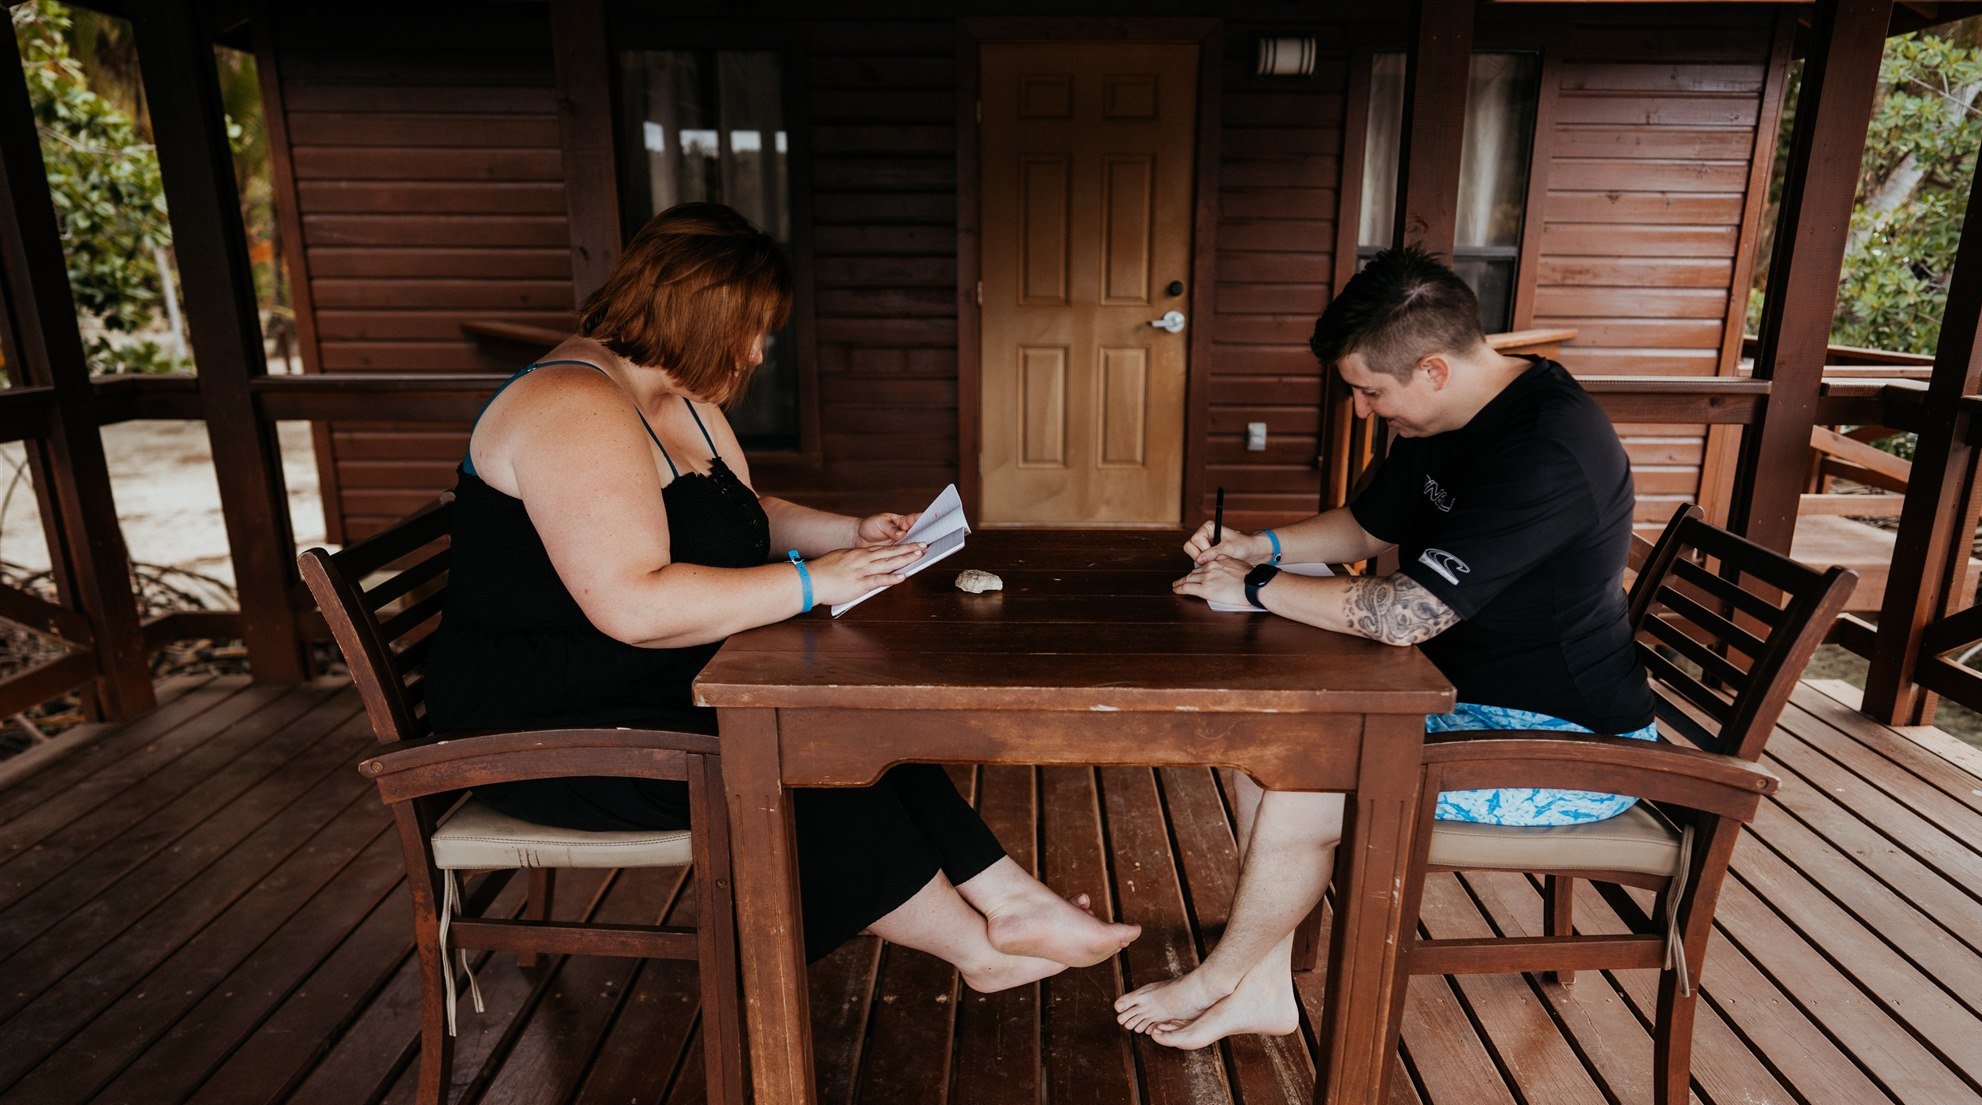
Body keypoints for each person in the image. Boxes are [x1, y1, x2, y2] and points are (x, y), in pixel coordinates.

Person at [427, 203, 1137, 991]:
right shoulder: (571, 407)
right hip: (545, 729)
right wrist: (812, 582)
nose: (760, 352)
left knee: (843, 719)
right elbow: (633, 605)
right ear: (698, 316)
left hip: (631, 682)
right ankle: (981, 952)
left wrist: (849, 535)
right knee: (800, 753)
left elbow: (741, 516)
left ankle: (1009, 897)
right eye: (753, 329)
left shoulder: (675, 393)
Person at [1117, 244, 1655, 1048]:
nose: (1364, 411)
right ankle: (1263, 987)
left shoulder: (1549, 452)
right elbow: (1372, 525)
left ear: (1433, 369)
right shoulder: (1444, 413)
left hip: (1571, 746)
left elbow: (1405, 615)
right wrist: (1257, 548)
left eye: (1370, 391)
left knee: (1303, 790)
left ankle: (1221, 974)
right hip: (1457, 699)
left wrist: (1256, 591)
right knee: (1280, 747)